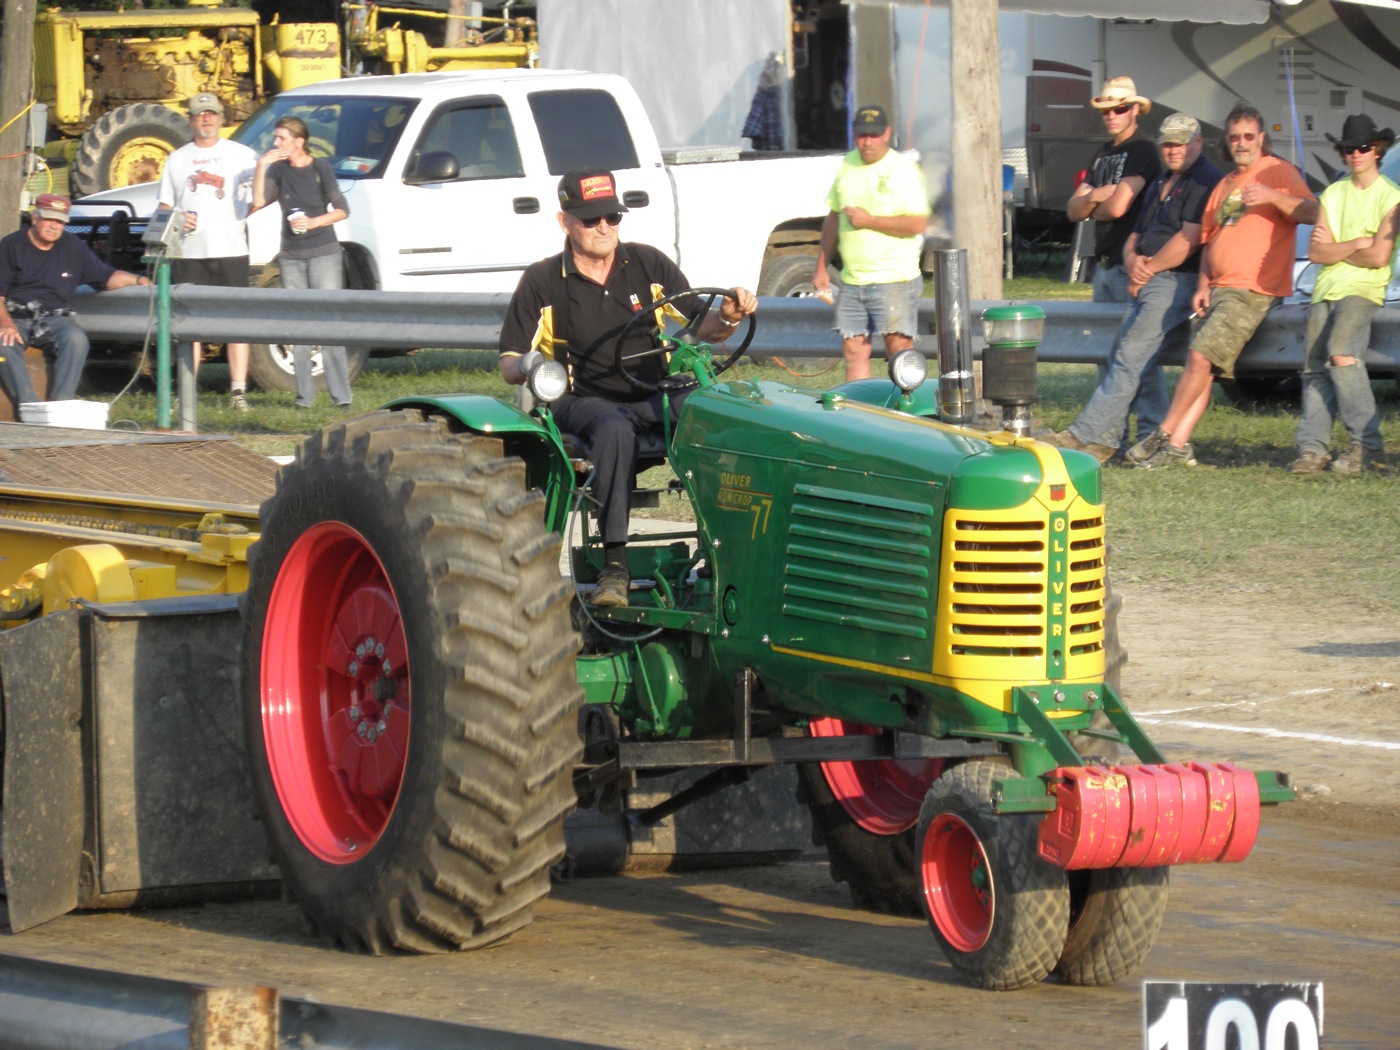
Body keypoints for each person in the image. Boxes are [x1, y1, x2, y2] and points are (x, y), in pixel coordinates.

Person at [500, 167, 757, 608]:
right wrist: (532, 365)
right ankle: (615, 567)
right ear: (564, 222)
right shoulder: (542, 281)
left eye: (613, 217)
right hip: (580, 399)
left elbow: (705, 326)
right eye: (591, 219)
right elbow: (508, 362)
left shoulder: (647, 264)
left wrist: (730, 315)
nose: (604, 227)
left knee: (720, 413)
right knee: (614, 428)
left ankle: (731, 553)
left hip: (652, 391)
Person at [1128, 102, 1319, 469]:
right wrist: (1203, 284)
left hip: (1252, 289)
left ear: (1261, 138)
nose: (1241, 143)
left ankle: (1162, 433)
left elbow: (1314, 213)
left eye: (1248, 136)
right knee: (1203, 368)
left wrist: (1273, 196)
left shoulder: (1279, 171)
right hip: (1217, 288)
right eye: (1234, 138)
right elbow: (1209, 239)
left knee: (1200, 357)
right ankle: (1178, 446)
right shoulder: (1224, 184)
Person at [1046, 114, 1223, 462]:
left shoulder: (1206, 181)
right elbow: (1136, 233)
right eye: (1168, 143)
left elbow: (1189, 239)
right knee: (1125, 354)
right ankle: (1108, 440)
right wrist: (1132, 261)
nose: (1173, 150)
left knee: (1130, 355)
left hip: (1178, 279)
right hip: (1149, 277)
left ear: (1198, 143)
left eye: (1181, 143)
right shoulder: (1161, 181)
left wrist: (1147, 269)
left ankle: (1083, 435)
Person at [1289, 113, 1399, 476]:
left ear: (1377, 150)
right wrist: (1356, 243)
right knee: (1313, 367)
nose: (1356, 154)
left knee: (1341, 353)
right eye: (1349, 148)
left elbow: (1378, 257)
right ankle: (1312, 450)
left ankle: (1368, 445)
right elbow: (1316, 252)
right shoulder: (1333, 193)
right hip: (1325, 288)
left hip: (1363, 289)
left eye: (1363, 147)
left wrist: (1337, 247)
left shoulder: (1391, 196)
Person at [1066, 76, 1165, 451]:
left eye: (1120, 108)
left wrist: (1094, 198)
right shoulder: (1102, 153)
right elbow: (1073, 210)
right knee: (1107, 356)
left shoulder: (1143, 150)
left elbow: (1118, 207)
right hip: (1105, 265)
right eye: (1106, 110)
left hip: (1132, 265)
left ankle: (1151, 435)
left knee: (1139, 356)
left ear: (1135, 109)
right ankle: (1110, 435)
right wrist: (1099, 196)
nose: (1112, 115)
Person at [811, 104, 929, 382]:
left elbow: (917, 224)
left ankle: (903, 405)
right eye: (862, 135)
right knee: (853, 349)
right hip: (853, 280)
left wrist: (868, 220)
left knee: (898, 349)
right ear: (854, 135)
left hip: (894, 278)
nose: (867, 142)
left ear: (886, 134)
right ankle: (858, 406)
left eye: (874, 135)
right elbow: (834, 217)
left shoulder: (903, 169)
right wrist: (821, 267)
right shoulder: (847, 164)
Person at [0, 194, 151, 408]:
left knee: (76, 339)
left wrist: (138, 279)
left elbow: (106, 277)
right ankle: (27, 405)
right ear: (35, 218)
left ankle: (61, 405)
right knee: (4, 346)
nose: (54, 226)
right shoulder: (10, 245)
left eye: (60, 221)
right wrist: (6, 323)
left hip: (53, 318)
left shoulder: (73, 246)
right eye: (49, 219)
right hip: (15, 317)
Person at [158, 92, 259, 411]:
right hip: (189, 254)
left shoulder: (242, 154)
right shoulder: (177, 159)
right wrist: (177, 219)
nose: (206, 119)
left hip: (232, 250)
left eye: (212, 113)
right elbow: (164, 207)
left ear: (221, 118)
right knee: (190, 327)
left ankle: (238, 392)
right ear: (190, 120)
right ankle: (185, 393)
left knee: (238, 324)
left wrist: (255, 207)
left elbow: (263, 190)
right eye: (200, 114)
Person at [252, 116, 352, 409]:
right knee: (298, 326)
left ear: (299, 141)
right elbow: (258, 201)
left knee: (329, 324)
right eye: (276, 138)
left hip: (324, 253)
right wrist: (261, 165)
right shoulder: (278, 170)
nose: (276, 143)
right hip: (291, 256)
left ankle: (342, 397)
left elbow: (342, 209)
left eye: (282, 138)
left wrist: (312, 222)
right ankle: (304, 398)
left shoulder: (320, 167)